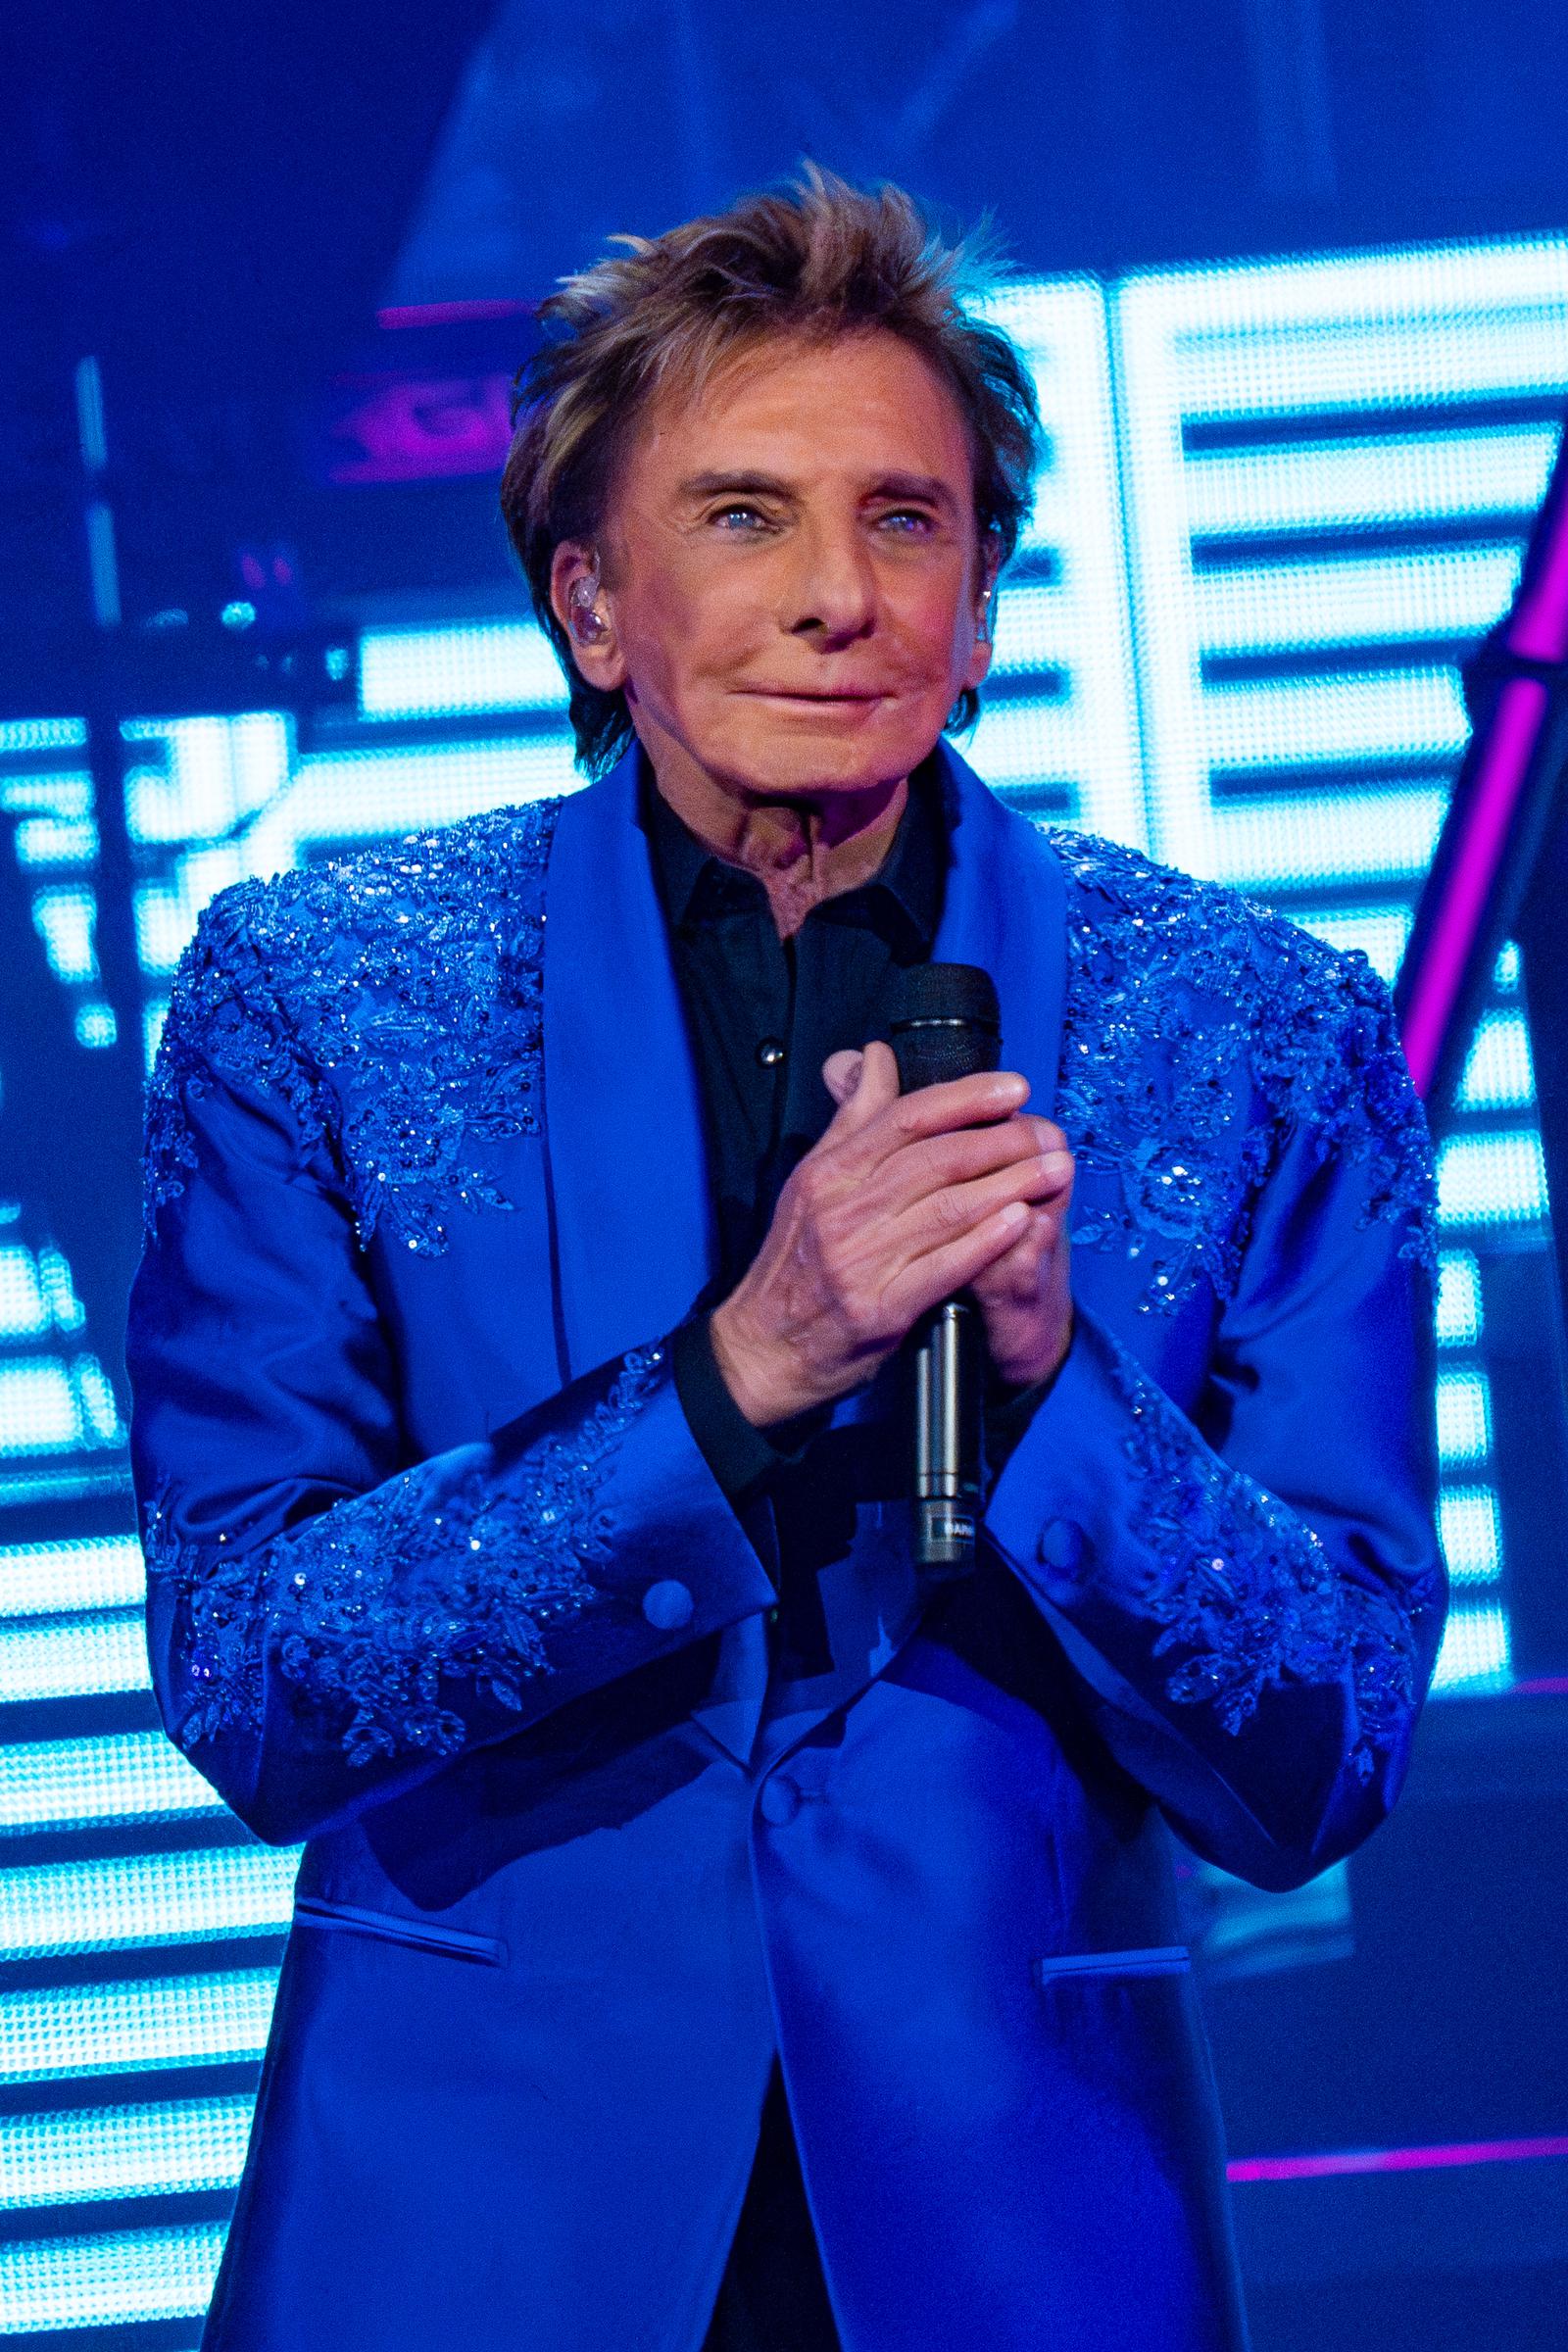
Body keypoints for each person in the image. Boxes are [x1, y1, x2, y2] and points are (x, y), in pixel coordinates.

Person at [127, 169, 1446, 2352]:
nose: (835, 595)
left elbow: (1333, 1749)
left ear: (984, 605)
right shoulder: (317, 996)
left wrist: (1051, 1401)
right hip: (473, 2233)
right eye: (744, 517)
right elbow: (256, 1673)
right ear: (587, 605)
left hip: (1013, 2223)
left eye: (903, 521)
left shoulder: (1248, 1028)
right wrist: (734, 1380)